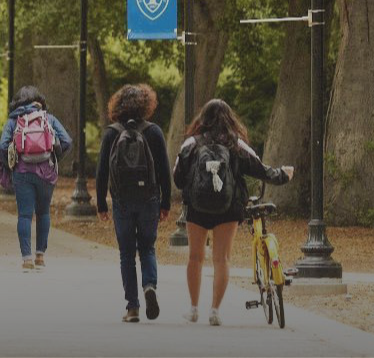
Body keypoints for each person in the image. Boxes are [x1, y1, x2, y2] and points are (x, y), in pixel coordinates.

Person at [172, 98, 294, 326]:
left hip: (196, 208)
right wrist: (284, 174)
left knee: (195, 258)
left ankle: (193, 309)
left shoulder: (192, 143)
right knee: (222, 259)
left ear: (202, 119)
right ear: (230, 119)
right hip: (228, 208)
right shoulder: (236, 145)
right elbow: (261, 169)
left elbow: (178, 179)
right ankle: (215, 311)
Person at [95, 84, 172, 323]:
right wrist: (166, 202)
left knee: (126, 253)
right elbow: (164, 170)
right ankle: (149, 285)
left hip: (122, 201)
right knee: (147, 248)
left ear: (117, 106)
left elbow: (101, 172)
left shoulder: (111, 133)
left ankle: (132, 307)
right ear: (145, 105)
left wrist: (101, 205)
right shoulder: (154, 132)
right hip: (149, 198)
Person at [0, 86, 71, 272]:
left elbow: (1, 147)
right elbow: (67, 140)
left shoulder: (14, 120)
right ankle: (40, 256)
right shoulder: (49, 118)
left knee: (24, 215)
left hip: (23, 172)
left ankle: (26, 258)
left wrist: (10, 164)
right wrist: (54, 159)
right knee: (43, 213)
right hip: (47, 172)